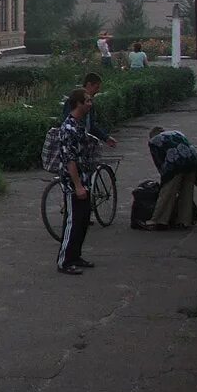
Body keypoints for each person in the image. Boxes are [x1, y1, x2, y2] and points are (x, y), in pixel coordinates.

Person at [57, 88, 95, 275]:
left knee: (83, 219)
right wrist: (78, 185)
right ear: (78, 104)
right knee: (72, 221)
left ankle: (76, 255)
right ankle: (64, 261)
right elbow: (69, 159)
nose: (90, 103)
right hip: (74, 183)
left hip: (84, 179)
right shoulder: (69, 129)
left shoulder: (80, 125)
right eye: (87, 101)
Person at [143, 127, 197, 230]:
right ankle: (184, 221)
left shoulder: (154, 141)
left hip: (176, 163)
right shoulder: (177, 133)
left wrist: (164, 181)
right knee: (187, 192)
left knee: (167, 193)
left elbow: (159, 162)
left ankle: (158, 220)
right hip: (193, 162)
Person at [62, 73, 118, 152]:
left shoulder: (90, 105)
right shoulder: (72, 101)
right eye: (96, 87)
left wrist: (105, 138)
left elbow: (91, 126)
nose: (98, 91)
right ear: (88, 85)